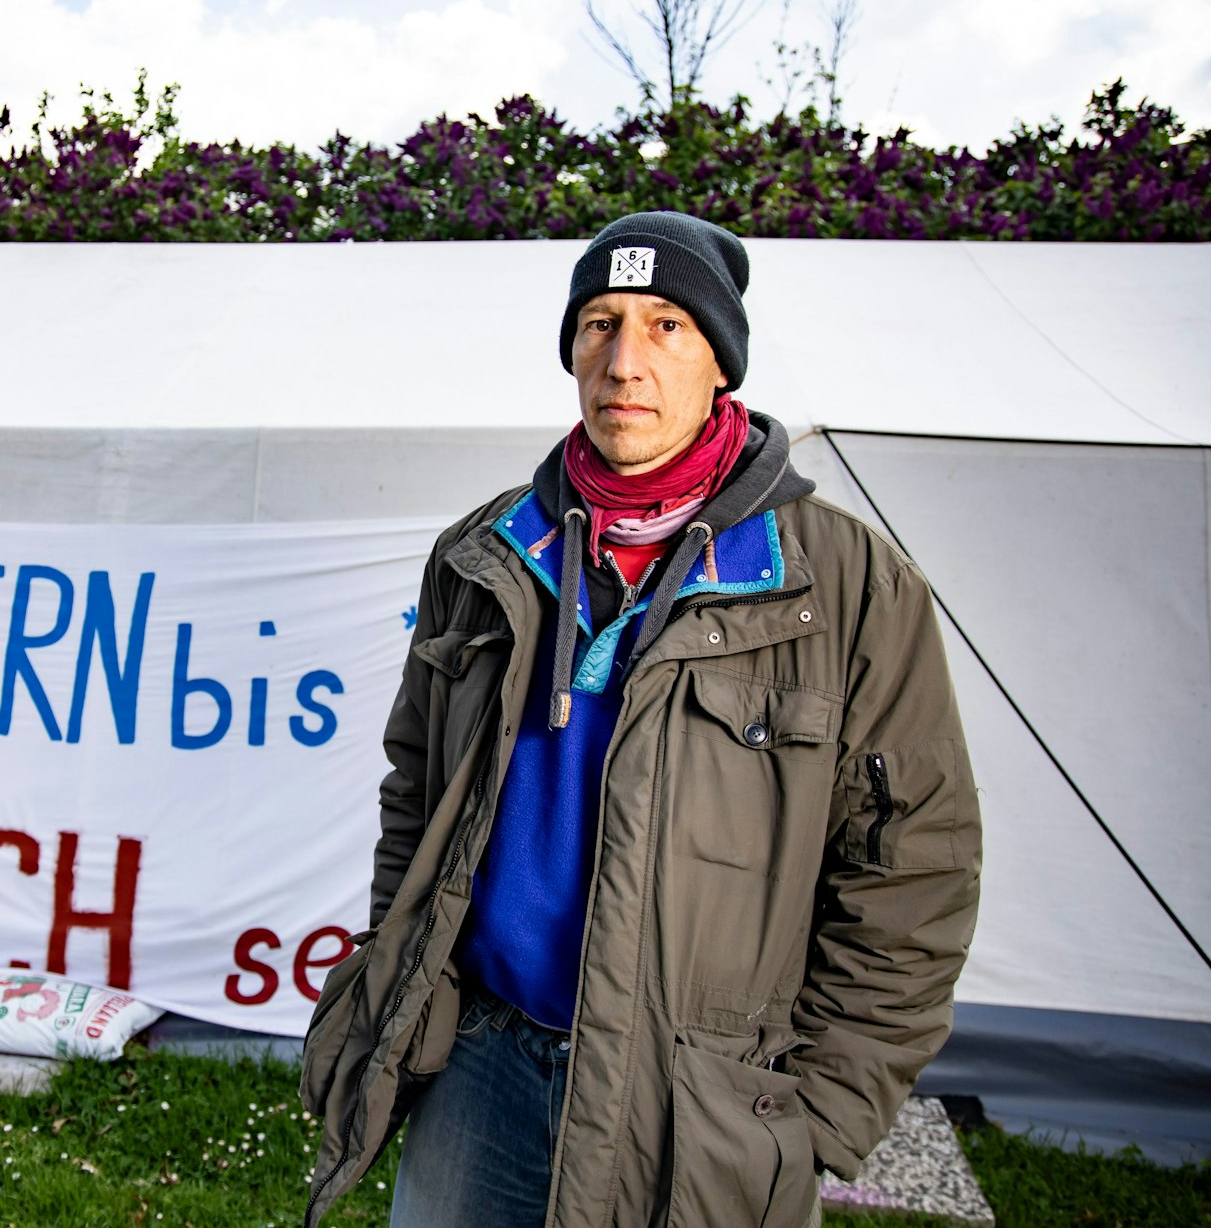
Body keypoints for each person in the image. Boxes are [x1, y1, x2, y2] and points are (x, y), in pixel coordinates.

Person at [299, 211, 982, 1228]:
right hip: (480, 1058)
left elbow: (910, 868)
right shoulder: (481, 553)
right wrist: (399, 973)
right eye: (599, 324)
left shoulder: (843, 585)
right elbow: (416, 789)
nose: (624, 361)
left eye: (666, 326)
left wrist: (821, 1113)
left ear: (720, 361)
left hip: (697, 1100)